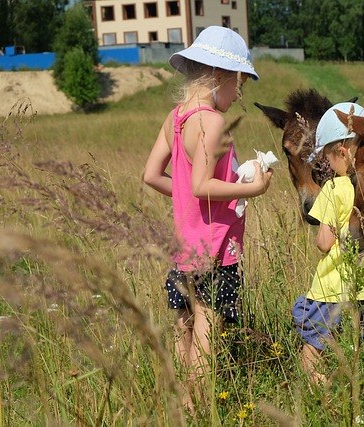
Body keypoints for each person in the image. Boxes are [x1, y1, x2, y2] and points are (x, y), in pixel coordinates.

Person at [142, 26, 273, 408]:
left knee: (184, 323)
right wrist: (254, 188)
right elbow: (201, 186)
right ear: (218, 77)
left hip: (184, 244)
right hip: (215, 248)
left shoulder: (176, 117)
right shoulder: (213, 123)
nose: (239, 96)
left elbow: (152, 175)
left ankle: (183, 400)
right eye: (239, 86)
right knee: (206, 329)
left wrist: (184, 192)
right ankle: (197, 407)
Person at [292, 102, 364, 386]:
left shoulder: (333, 188)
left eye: (327, 159)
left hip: (331, 288)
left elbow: (324, 243)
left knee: (312, 348)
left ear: (342, 152)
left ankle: (324, 395)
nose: (327, 166)